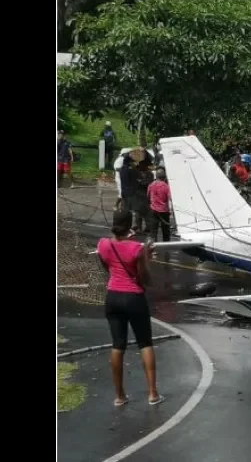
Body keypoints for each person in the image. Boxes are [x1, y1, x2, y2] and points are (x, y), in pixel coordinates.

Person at [96, 210, 164, 407]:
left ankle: (119, 395)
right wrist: (146, 257)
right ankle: (152, 393)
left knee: (118, 344)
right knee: (145, 342)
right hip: (133, 297)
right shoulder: (136, 248)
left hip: (113, 296)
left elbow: (107, 265)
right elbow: (144, 278)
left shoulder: (103, 244)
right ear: (130, 225)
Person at [147, 168, 171, 243]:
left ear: (156, 176)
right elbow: (170, 198)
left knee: (153, 232)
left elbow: (147, 196)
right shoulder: (166, 186)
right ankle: (166, 247)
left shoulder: (151, 185)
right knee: (166, 231)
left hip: (154, 211)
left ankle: (154, 249)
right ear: (164, 176)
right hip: (164, 211)